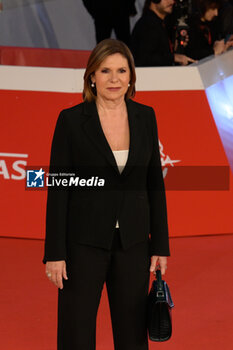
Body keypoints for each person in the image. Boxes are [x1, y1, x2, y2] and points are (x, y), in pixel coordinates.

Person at [43, 38, 170, 350]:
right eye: (105, 71)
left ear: (131, 77)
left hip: (134, 242)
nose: (114, 79)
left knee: (132, 335)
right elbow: (58, 190)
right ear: (92, 76)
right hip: (83, 244)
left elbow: (155, 183)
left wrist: (161, 244)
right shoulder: (71, 120)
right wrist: (55, 253)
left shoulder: (146, 117)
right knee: (76, 331)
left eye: (121, 71)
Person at [130, 0, 195, 66]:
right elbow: (145, 58)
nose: (172, 2)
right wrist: (174, 57)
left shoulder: (157, 23)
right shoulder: (148, 24)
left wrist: (175, 48)